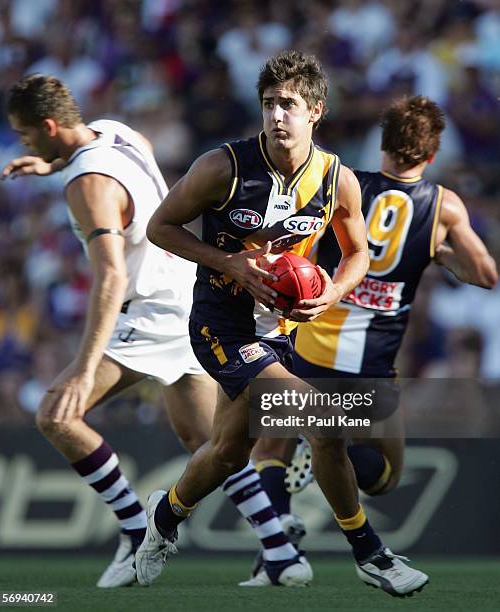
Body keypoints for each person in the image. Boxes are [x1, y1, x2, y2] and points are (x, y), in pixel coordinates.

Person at [137, 50, 428, 596]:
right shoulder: (221, 167)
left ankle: (165, 518)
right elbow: (160, 227)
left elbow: (358, 253)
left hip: (280, 331)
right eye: (269, 103)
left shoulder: (336, 178)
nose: (276, 116)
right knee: (323, 421)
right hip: (221, 325)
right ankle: (371, 553)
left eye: (288, 105)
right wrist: (228, 263)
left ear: (314, 110)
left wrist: (334, 294)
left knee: (227, 452)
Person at [254, 94, 498, 582]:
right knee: (384, 477)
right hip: (372, 365)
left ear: (382, 143)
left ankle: (277, 540)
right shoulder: (444, 205)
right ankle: (277, 552)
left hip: (309, 345)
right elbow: (487, 274)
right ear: (431, 156)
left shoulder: (344, 184)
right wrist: (439, 253)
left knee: (270, 448)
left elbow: (292, 240)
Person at [2, 74, 221, 589]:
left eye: (27, 135)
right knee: (208, 439)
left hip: (149, 308)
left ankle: (135, 526)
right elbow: (100, 166)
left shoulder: (86, 186)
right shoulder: (113, 130)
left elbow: (111, 275)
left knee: (57, 413)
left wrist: (82, 369)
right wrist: (49, 163)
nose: (24, 143)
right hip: (189, 293)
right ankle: (280, 546)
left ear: (50, 126)